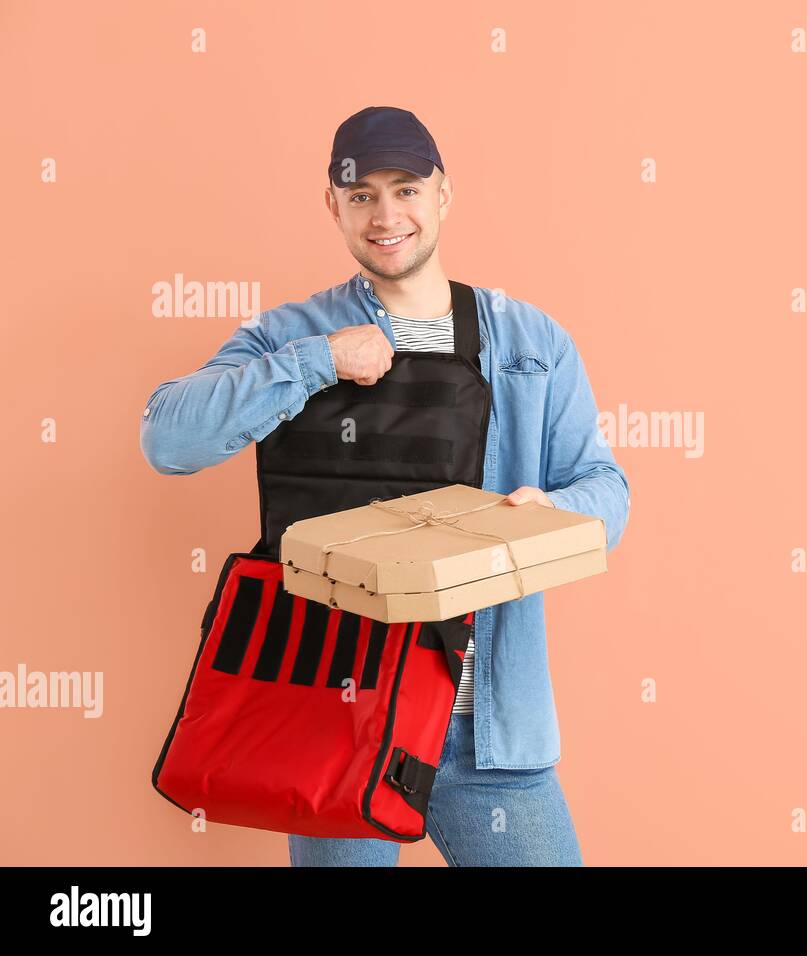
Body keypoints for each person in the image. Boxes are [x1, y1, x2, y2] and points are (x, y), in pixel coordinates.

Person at [140, 106, 631, 866]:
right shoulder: (291, 333)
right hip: (342, 717)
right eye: (361, 194)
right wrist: (316, 361)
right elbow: (167, 439)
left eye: (406, 188)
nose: (386, 213)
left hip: (489, 730)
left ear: (443, 195)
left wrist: (552, 512)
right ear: (331, 205)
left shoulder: (531, 342)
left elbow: (608, 487)